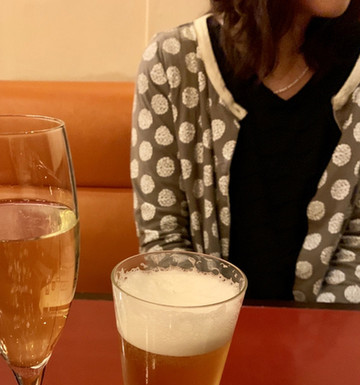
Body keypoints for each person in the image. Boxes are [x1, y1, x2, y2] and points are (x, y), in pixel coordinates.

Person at [131, 0, 360, 303]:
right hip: (201, 322)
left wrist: (314, 331)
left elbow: (356, 250)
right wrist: (215, 327)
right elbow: (164, 240)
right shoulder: (172, 60)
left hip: (327, 327)